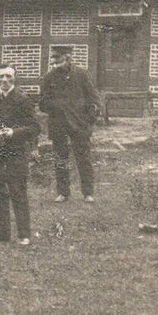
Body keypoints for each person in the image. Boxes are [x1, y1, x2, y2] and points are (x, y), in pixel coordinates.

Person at [0, 65, 40, 246]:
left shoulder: (23, 100)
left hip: (15, 152)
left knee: (17, 193)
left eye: (9, 76)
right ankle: (1, 234)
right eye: (1, 77)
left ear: (15, 79)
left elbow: (35, 127)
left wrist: (13, 133)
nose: (5, 80)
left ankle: (24, 235)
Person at [39, 44, 101, 203]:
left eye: (57, 58)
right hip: (58, 124)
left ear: (67, 57)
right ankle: (63, 193)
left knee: (84, 158)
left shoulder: (81, 75)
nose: (54, 61)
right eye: (53, 58)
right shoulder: (49, 77)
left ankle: (88, 193)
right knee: (60, 159)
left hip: (79, 124)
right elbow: (42, 103)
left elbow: (94, 99)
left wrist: (88, 120)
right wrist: (59, 106)